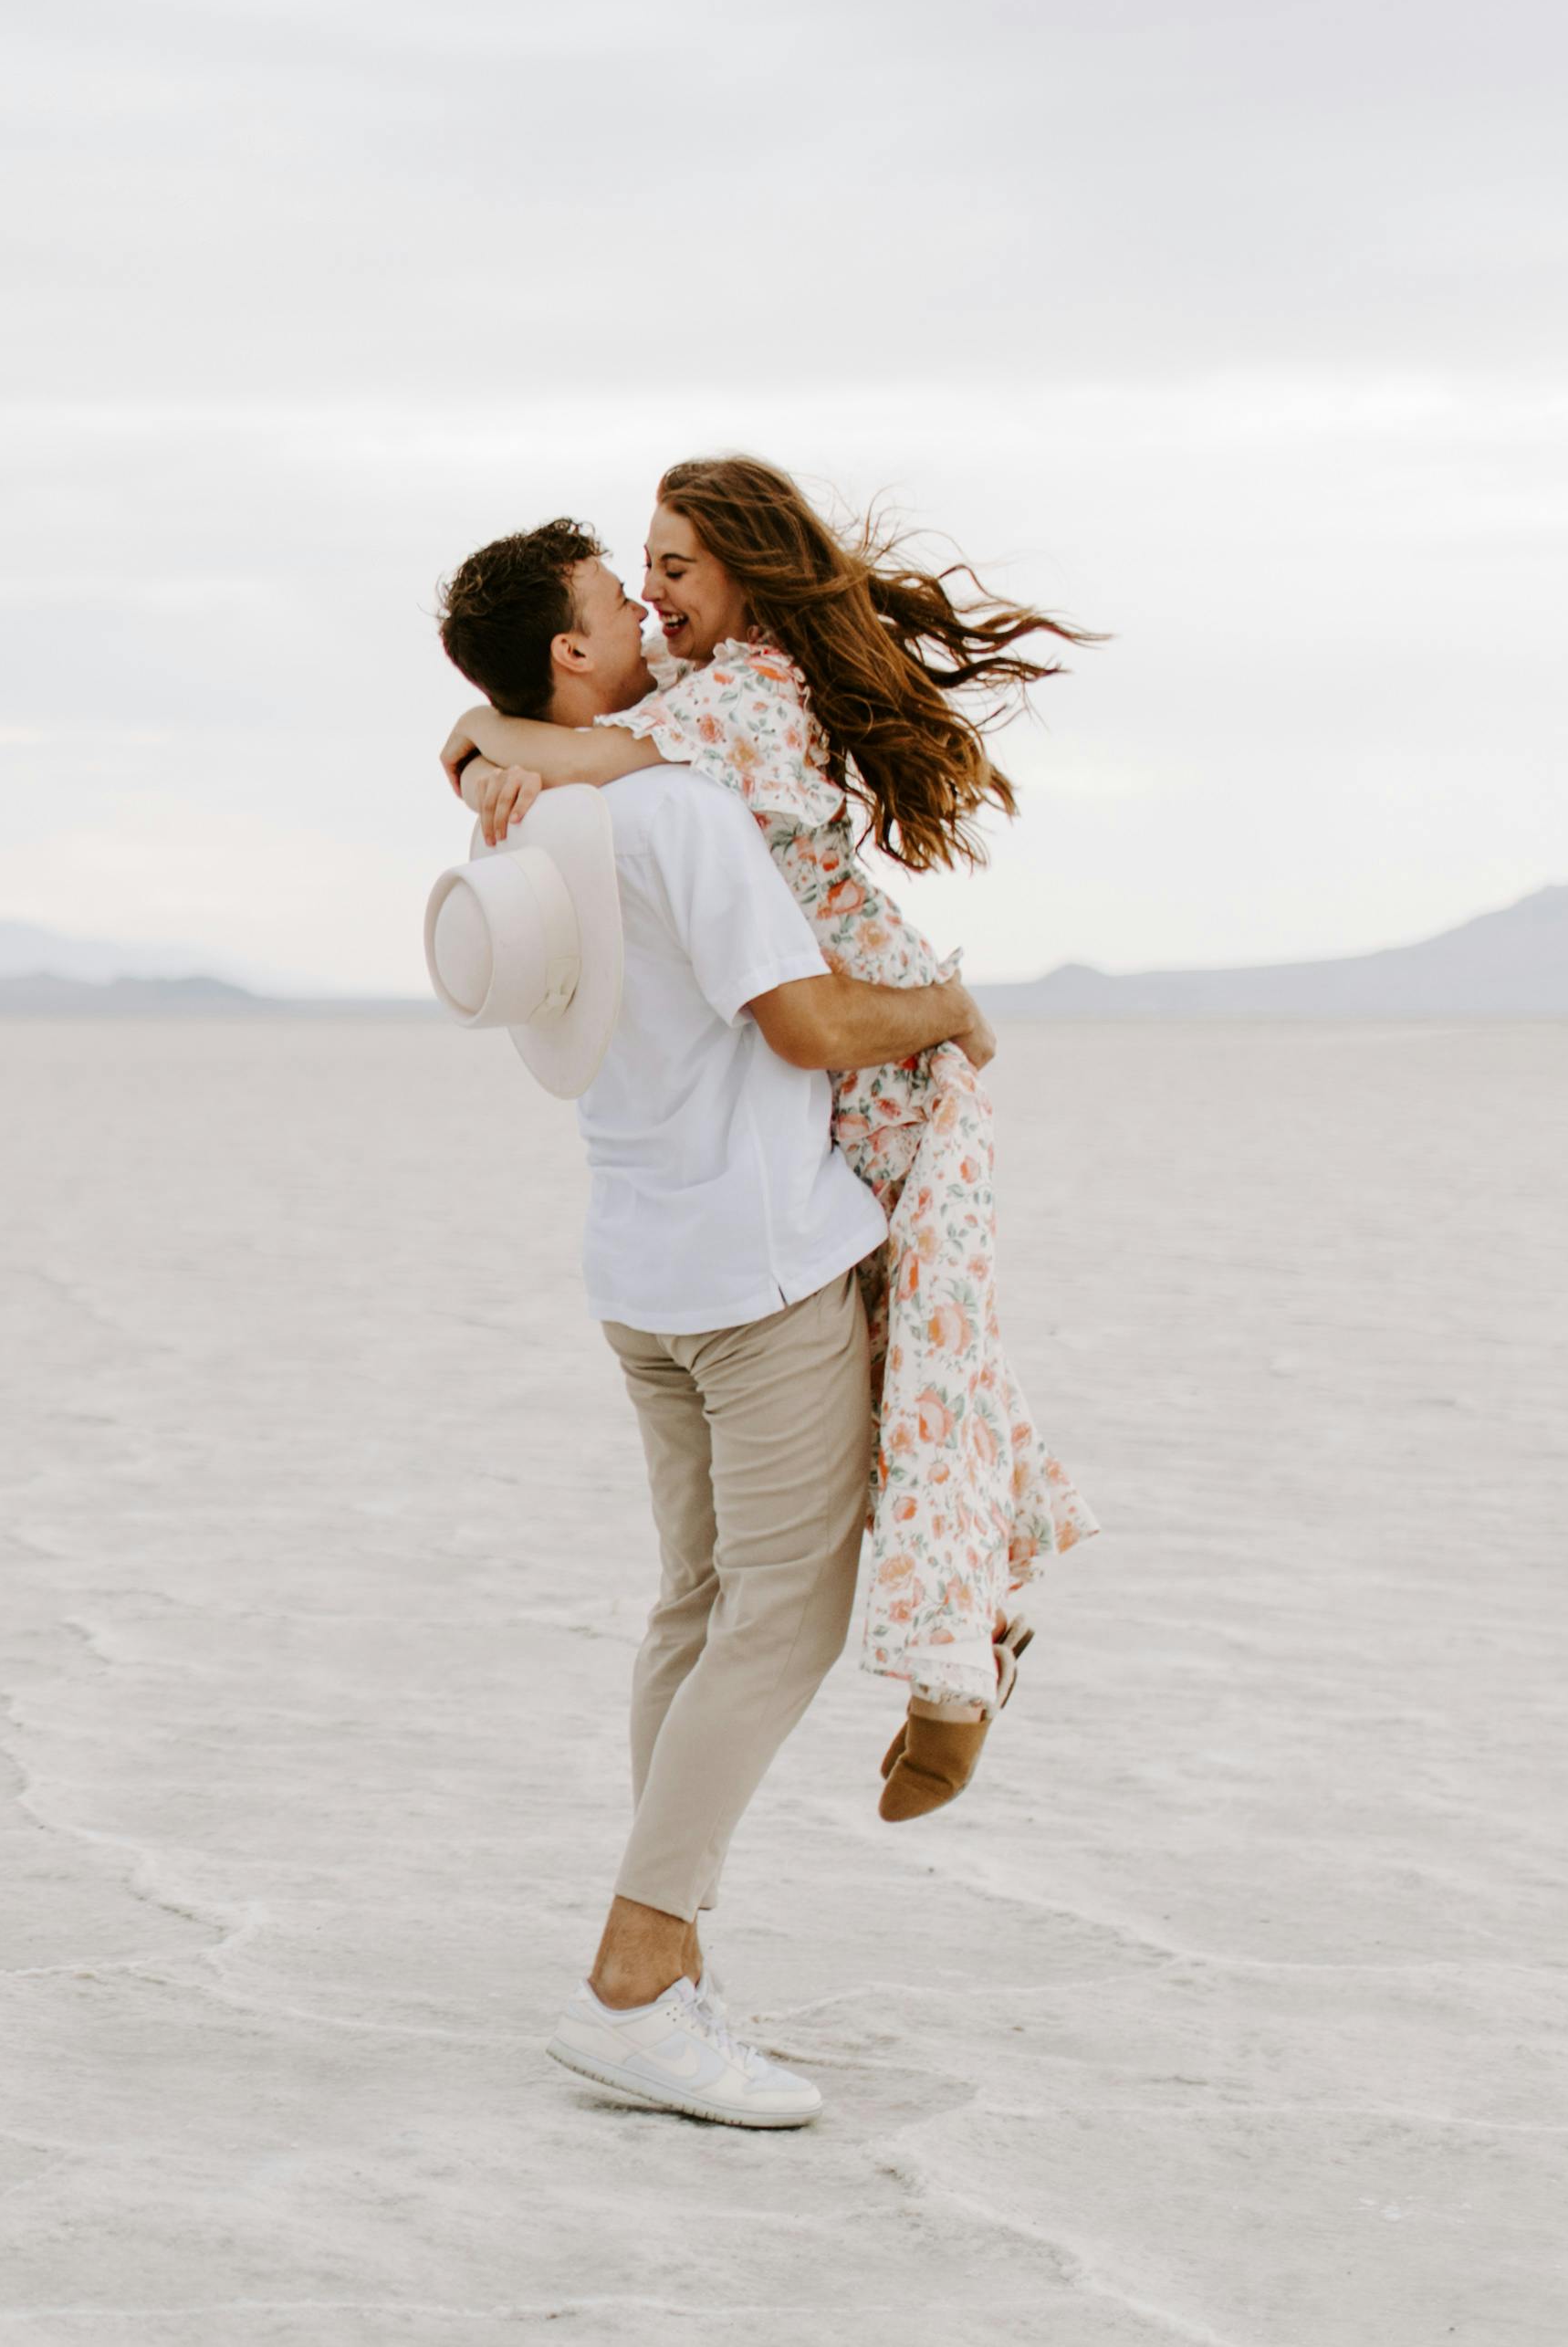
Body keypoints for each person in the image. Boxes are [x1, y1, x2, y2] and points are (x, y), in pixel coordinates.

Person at [426, 518, 991, 2130]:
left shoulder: (522, 821)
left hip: (636, 1271)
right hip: (754, 1277)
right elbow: (809, 1026)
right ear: (570, 655)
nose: (648, 619)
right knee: (779, 1622)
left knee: (690, 1610)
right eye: (621, 600)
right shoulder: (673, 807)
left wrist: (477, 753)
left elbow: (476, 754)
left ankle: (664, 1975)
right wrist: (946, 1005)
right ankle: (631, 1980)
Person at [442, 462, 1096, 1815]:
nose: (650, 594)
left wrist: (485, 739)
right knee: (922, 1366)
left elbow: (580, 751)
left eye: (671, 567)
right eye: (636, 575)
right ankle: (960, 1652)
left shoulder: (741, 699)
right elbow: (561, 743)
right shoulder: (678, 722)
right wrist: (484, 737)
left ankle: (952, 1672)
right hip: (842, 1076)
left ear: (741, 573)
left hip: (890, 1049)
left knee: (933, 1367)